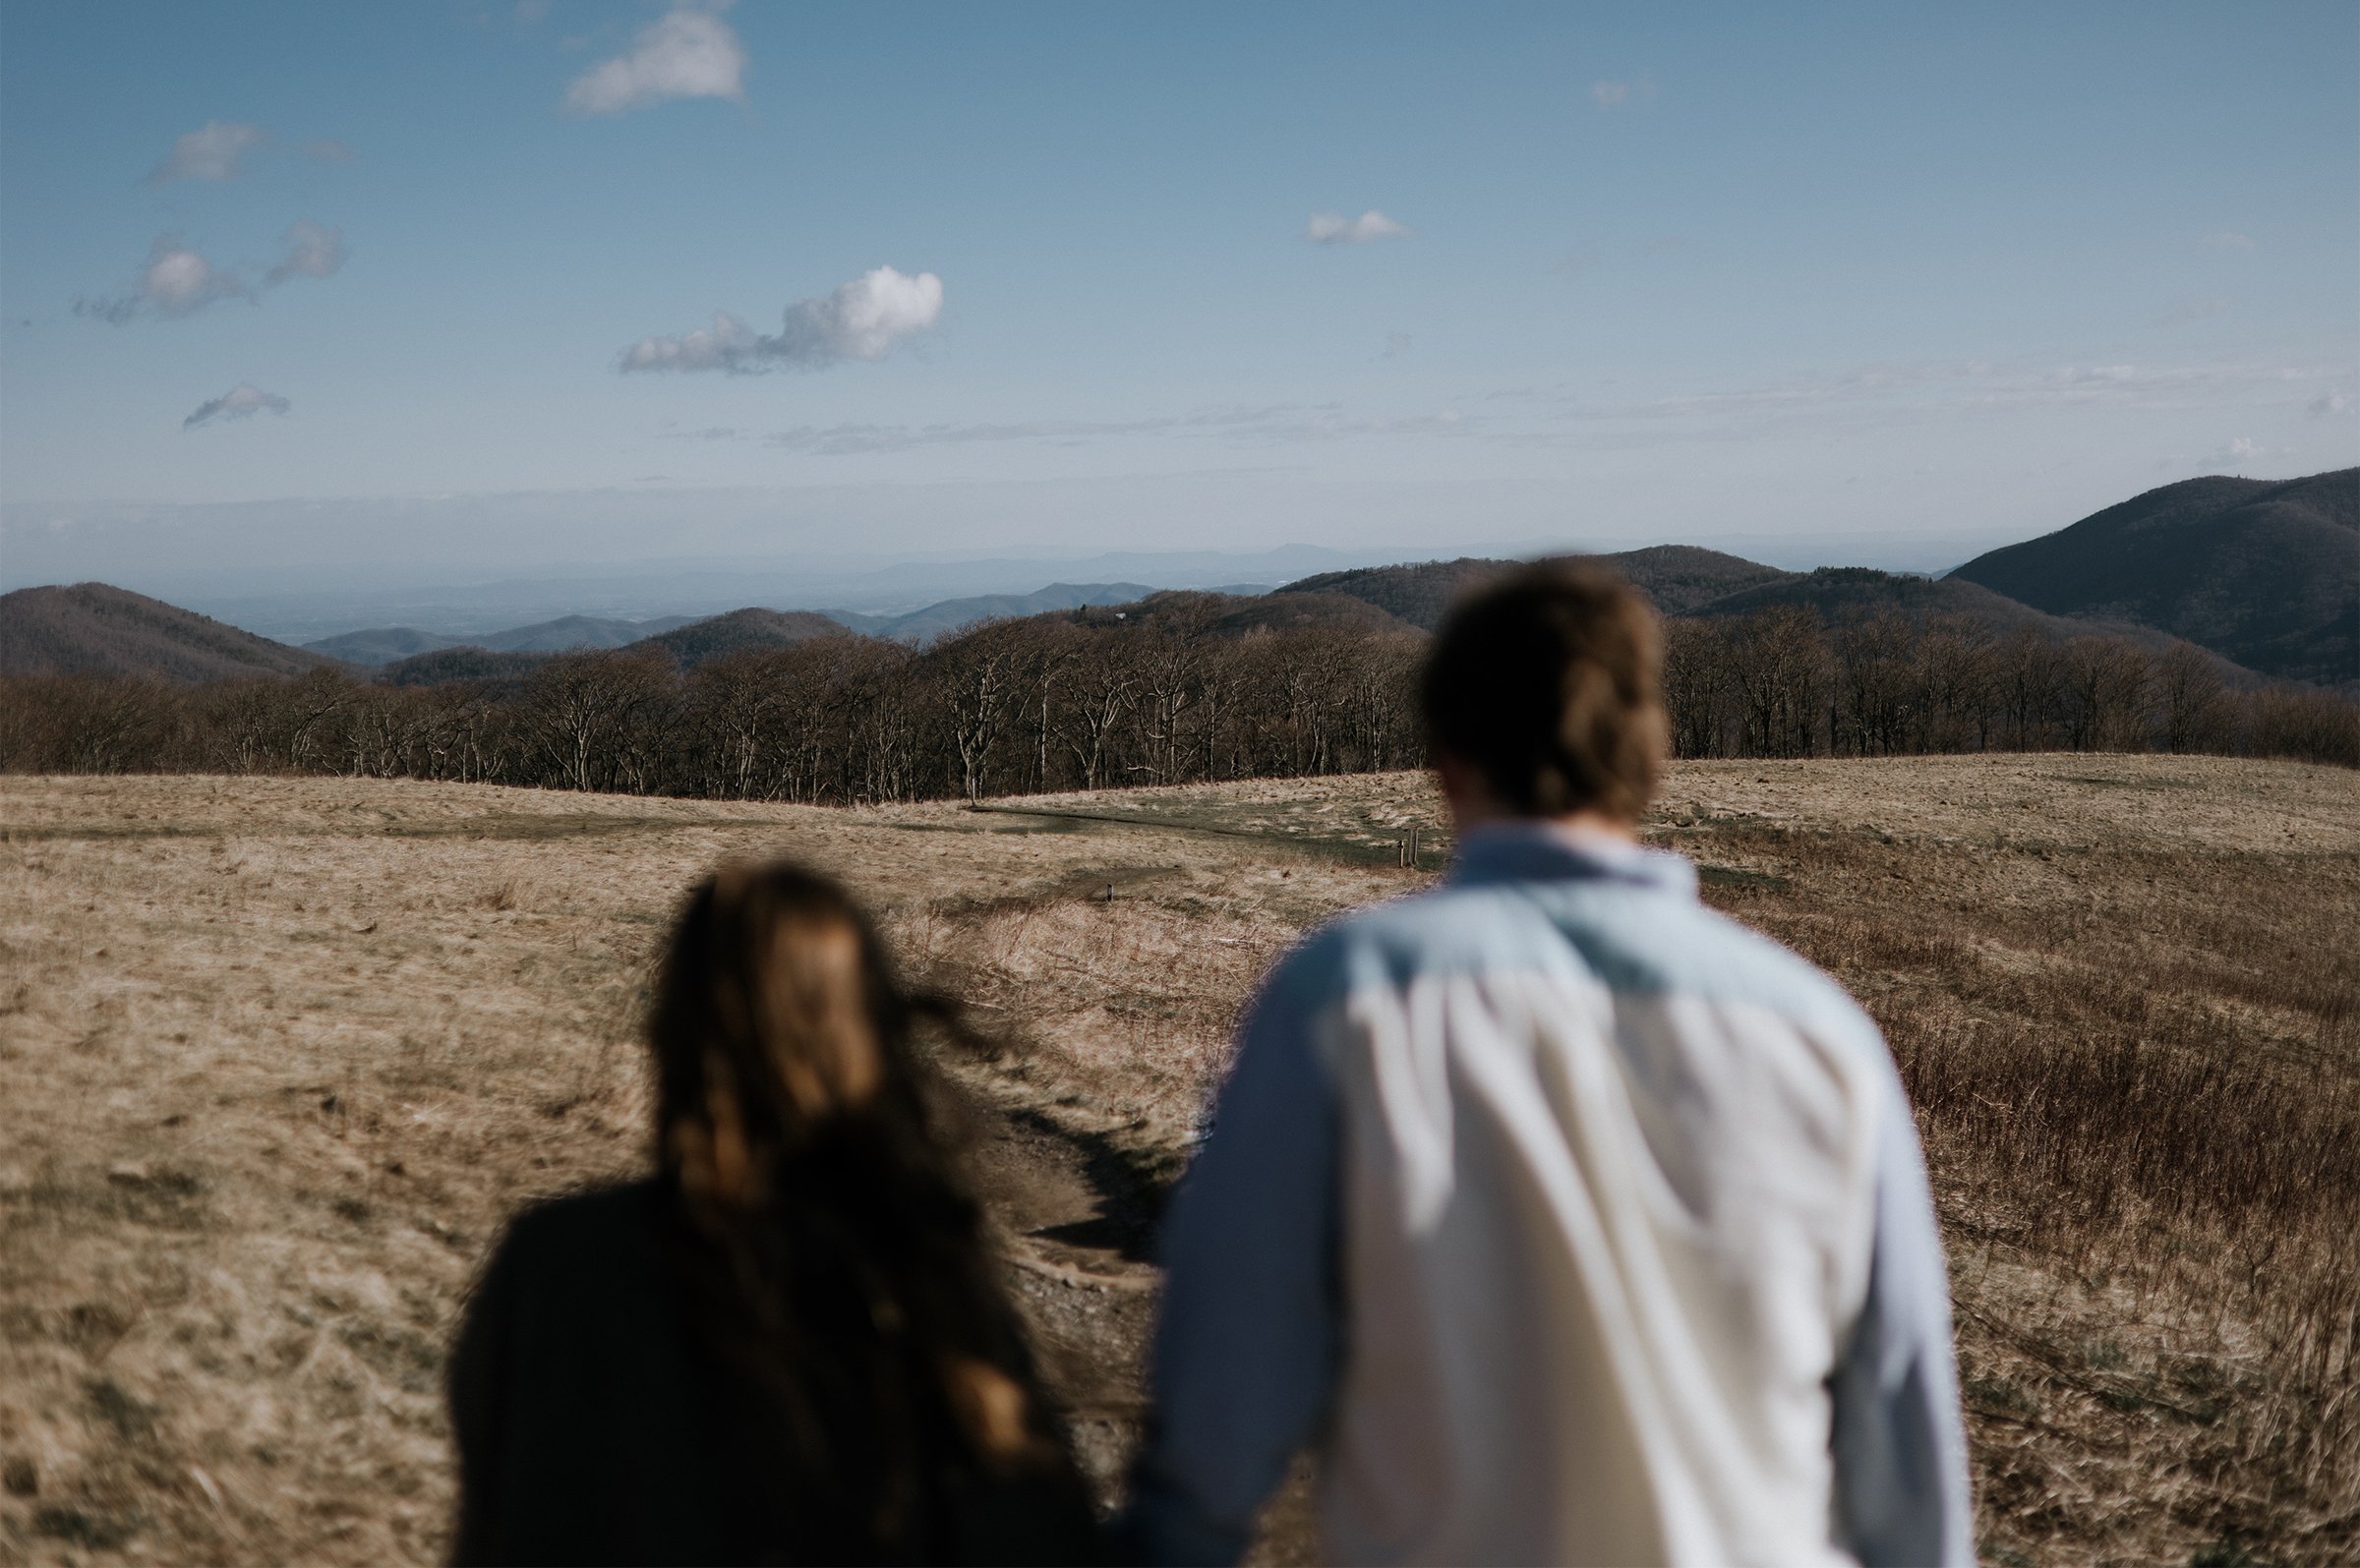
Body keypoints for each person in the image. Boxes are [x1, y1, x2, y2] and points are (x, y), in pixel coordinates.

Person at [1126, 562, 1971, 1567]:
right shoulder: (1823, 1034)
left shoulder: (1344, 998)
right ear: (1650, 755)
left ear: (1446, 757)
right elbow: (1909, 1469)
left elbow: (1219, 1417)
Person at [447, 862, 1103, 1566]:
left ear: (674, 1033)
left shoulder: (549, 1265)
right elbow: (1038, 1532)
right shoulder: (915, 1267)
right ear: (866, 1036)